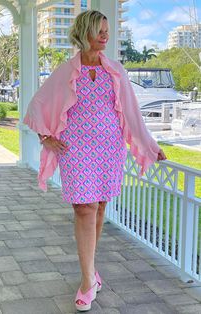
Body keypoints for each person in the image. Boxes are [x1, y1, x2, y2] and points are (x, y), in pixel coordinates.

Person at [24, 10, 167, 312]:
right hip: (75, 149)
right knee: (84, 209)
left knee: (99, 207)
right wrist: (44, 137)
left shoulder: (115, 70)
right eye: (99, 30)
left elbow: (131, 113)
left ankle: (91, 270)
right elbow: (39, 103)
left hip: (108, 149)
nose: (105, 35)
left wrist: (149, 145)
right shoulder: (66, 71)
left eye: (107, 30)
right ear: (84, 31)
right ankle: (88, 282)